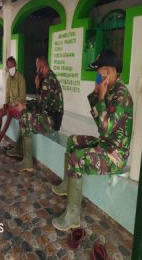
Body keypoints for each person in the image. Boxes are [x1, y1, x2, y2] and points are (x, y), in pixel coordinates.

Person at [51, 49, 133, 231]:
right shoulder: (110, 89)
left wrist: (101, 96)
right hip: (106, 144)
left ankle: (72, 216)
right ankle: (67, 185)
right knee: (73, 140)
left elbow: (105, 129)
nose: (96, 75)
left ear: (109, 72)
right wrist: (97, 95)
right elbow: (100, 123)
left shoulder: (122, 96)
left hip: (115, 154)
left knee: (76, 158)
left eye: (99, 72)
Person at [7, 56, 64, 171]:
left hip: (52, 121)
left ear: (42, 67)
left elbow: (40, 105)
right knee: (24, 112)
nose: (36, 70)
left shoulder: (48, 81)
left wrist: (36, 89)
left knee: (25, 118)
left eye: (37, 68)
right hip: (47, 114)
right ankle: (19, 149)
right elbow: (41, 103)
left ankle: (27, 162)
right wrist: (25, 106)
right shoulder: (47, 77)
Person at [0, 56, 26, 147]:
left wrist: (12, 105)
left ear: (15, 65)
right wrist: (6, 103)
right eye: (9, 67)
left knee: (10, 113)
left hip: (20, 106)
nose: (11, 68)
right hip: (11, 105)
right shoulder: (8, 79)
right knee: (0, 112)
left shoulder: (20, 78)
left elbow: (22, 97)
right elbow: (7, 95)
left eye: (12, 66)